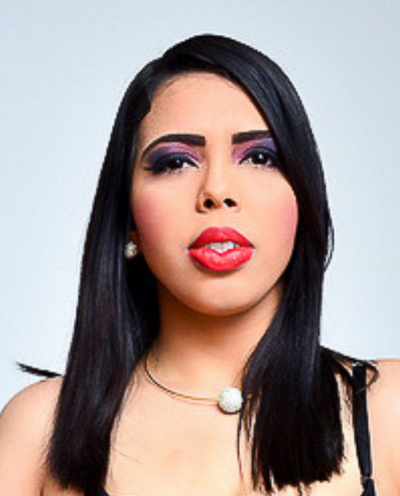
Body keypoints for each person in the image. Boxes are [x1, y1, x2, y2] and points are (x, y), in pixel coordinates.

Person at [0, 34, 399, 496]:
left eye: (260, 157)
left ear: (305, 198)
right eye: (175, 163)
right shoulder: (38, 430)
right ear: (128, 219)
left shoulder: (387, 410)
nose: (217, 190)